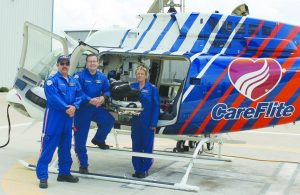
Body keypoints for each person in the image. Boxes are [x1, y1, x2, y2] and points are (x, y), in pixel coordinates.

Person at [36, 55, 82, 189]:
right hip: (54, 119)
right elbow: (53, 98)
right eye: (62, 63)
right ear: (57, 65)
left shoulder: (74, 81)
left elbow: (80, 96)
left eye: (67, 63)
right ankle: (43, 177)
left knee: (65, 147)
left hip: (68, 120)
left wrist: (75, 106)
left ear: (69, 65)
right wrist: (67, 108)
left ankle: (64, 173)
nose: (64, 65)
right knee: (48, 147)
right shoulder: (51, 81)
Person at [74, 54, 115, 174]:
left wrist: (103, 97)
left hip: (96, 108)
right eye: (90, 61)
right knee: (80, 139)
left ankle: (98, 140)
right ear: (86, 63)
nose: (92, 63)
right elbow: (77, 91)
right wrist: (88, 99)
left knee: (109, 121)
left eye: (94, 61)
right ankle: (83, 164)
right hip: (82, 110)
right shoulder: (79, 76)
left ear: (98, 63)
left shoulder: (102, 77)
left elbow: (108, 90)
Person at [130, 65, 160, 178]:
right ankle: (137, 169)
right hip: (136, 121)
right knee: (136, 144)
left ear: (146, 75)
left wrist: (153, 122)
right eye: (138, 74)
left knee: (147, 145)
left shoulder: (152, 88)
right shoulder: (132, 86)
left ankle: (145, 169)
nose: (140, 75)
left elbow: (156, 106)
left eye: (142, 74)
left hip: (148, 121)